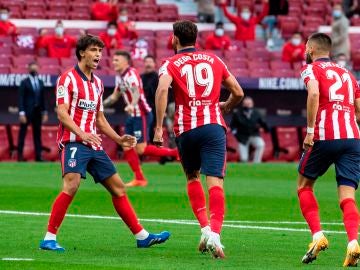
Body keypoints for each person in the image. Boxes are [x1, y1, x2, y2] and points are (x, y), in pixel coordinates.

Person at [39, 35, 170, 252]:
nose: (98, 55)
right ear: (82, 53)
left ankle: (142, 236)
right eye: (93, 50)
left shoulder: (98, 83)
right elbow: (62, 114)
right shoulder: (67, 79)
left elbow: (99, 118)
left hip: (94, 144)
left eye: (100, 51)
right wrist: (82, 133)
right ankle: (49, 238)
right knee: (71, 185)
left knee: (118, 189)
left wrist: (118, 139)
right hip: (73, 143)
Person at [154, 20, 244, 258]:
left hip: (186, 129)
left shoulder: (169, 63)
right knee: (215, 182)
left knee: (192, 176)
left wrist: (159, 127)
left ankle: (205, 228)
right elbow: (238, 92)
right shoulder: (215, 60)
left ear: (174, 39)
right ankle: (215, 234)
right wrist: (224, 107)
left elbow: (163, 90)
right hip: (213, 126)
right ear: (196, 39)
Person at [298, 33, 360, 267]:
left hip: (325, 135)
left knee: (304, 186)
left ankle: (317, 235)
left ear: (312, 50)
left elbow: (314, 92)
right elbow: (359, 109)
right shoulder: (348, 74)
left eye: (306, 46)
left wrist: (311, 130)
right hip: (352, 137)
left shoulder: (311, 68)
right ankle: (353, 242)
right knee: (347, 196)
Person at [103, 51, 178, 187]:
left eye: (116, 60)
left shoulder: (131, 74)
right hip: (132, 116)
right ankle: (139, 178)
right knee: (126, 145)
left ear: (126, 61)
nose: (113, 62)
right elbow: (114, 96)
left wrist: (132, 105)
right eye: (113, 60)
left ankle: (177, 153)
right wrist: (99, 106)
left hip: (141, 114)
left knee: (141, 149)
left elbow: (136, 92)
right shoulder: (121, 77)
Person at [17, 61, 48, 162]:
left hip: (37, 112)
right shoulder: (24, 82)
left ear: (38, 69)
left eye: (36, 68)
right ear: (29, 69)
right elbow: (20, 98)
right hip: (26, 112)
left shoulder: (40, 82)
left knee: (37, 134)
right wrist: (21, 112)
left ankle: (38, 156)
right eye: (32, 68)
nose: (34, 70)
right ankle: (20, 156)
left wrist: (45, 112)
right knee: (22, 134)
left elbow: (43, 98)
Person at [230, 96, 268, 163]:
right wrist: (236, 135)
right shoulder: (237, 113)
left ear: (252, 104)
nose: (247, 106)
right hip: (242, 137)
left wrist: (265, 128)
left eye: (249, 104)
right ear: (243, 104)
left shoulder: (256, 112)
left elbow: (263, 123)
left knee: (261, 144)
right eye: (246, 104)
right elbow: (232, 126)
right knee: (244, 159)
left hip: (254, 135)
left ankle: (256, 163)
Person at [141, 55, 158, 141]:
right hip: (143, 109)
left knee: (151, 132)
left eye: (150, 62)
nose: (148, 64)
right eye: (146, 62)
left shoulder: (159, 77)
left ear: (154, 64)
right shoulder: (140, 77)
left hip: (156, 109)